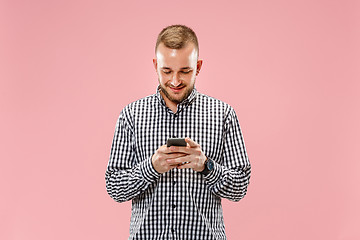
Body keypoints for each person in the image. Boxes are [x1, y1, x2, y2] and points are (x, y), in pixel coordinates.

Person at [105, 24, 251, 240]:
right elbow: (115, 188)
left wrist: (206, 165)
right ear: (155, 65)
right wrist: (151, 168)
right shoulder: (131, 116)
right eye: (167, 71)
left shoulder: (223, 115)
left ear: (198, 66)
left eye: (185, 71)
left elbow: (239, 188)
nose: (175, 81)